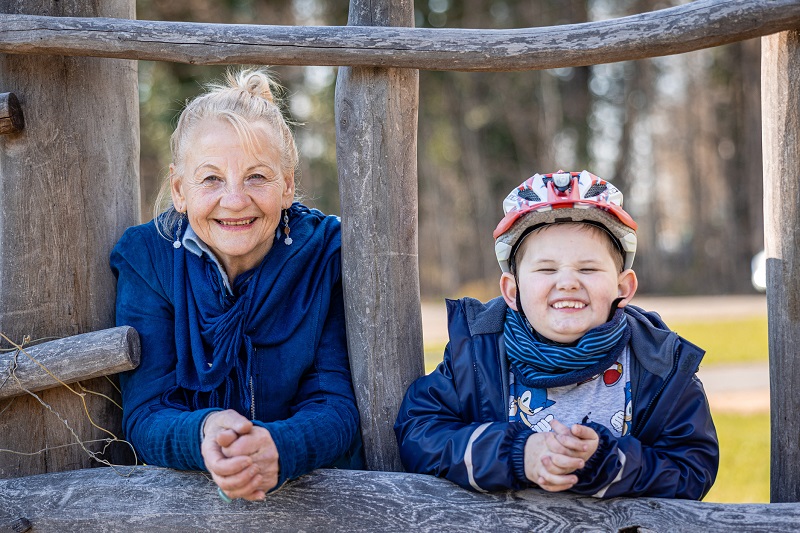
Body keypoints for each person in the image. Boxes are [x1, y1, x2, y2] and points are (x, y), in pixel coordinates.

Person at [111, 68, 362, 502]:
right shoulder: (147, 258)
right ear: (179, 190)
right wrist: (206, 431)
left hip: (317, 501)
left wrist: (278, 447)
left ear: (287, 185)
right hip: (186, 508)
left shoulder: (325, 254)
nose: (234, 200)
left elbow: (334, 404)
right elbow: (146, 412)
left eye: (257, 177)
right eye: (211, 178)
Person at [394, 170, 718, 499]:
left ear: (623, 287)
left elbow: (693, 468)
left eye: (588, 268)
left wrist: (606, 463)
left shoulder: (659, 366)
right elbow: (419, 432)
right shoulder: (478, 355)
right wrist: (517, 453)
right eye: (546, 269)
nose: (567, 282)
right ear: (512, 291)